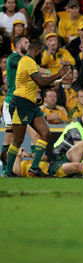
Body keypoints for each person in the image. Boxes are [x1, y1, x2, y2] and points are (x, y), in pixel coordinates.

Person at [4, 41, 70, 177]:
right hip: (20, 103)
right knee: (18, 139)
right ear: (38, 51)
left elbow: (41, 85)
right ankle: (8, 172)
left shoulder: (31, 63)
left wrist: (58, 82)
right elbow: (41, 82)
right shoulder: (27, 61)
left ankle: (34, 168)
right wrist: (58, 75)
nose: (44, 55)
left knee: (45, 133)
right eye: (44, 52)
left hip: (30, 103)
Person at [2, 36, 30, 175]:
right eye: (26, 42)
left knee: (19, 137)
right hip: (10, 102)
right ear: (18, 45)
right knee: (10, 136)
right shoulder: (13, 58)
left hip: (22, 102)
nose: (28, 44)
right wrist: (49, 72)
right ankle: (4, 169)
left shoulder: (25, 60)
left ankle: (33, 166)